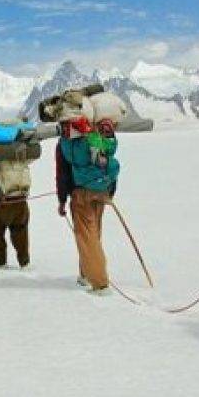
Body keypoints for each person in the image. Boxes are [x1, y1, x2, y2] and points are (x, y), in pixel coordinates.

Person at [56, 118, 120, 292]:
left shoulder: (66, 143)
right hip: (101, 190)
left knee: (87, 237)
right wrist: (110, 190)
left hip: (80, 194)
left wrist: (62, 200)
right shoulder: (98, 137)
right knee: (94, 234)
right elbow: (109, 159)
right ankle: (85, 275)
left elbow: (62, 174)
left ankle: (100, 284)